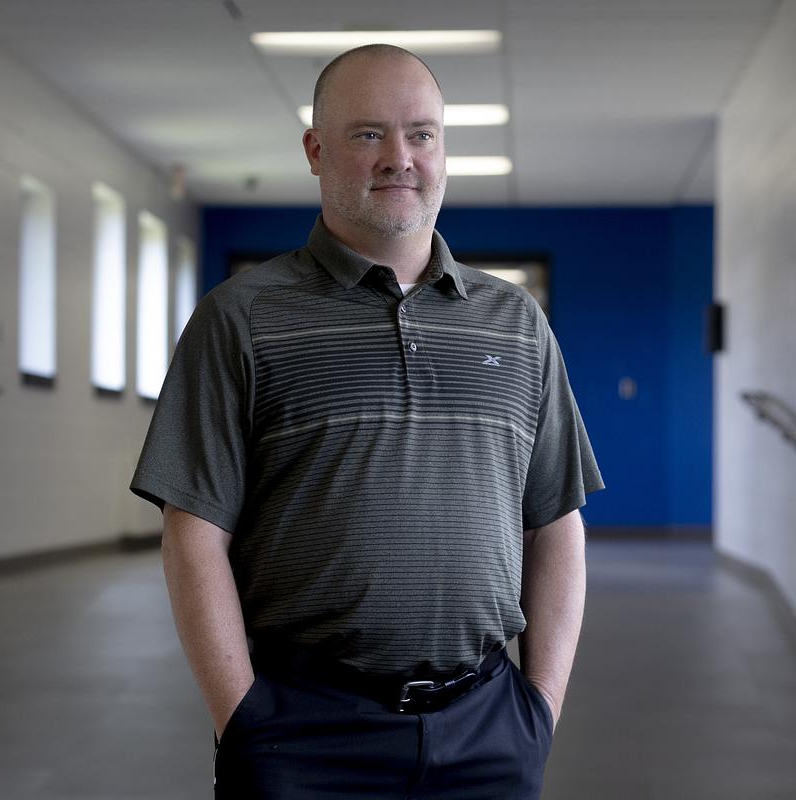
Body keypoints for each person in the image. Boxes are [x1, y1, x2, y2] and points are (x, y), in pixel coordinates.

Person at [130, 43, 603, 799]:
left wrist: (538, 709)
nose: (399, 158)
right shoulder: (241, 318)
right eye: (368, 134)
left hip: (487, 730)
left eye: (421, 134)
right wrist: (243, 719)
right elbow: (193, 531)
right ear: (316, 151)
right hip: (302, 736)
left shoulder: (516, 323)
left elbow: (555, 522)